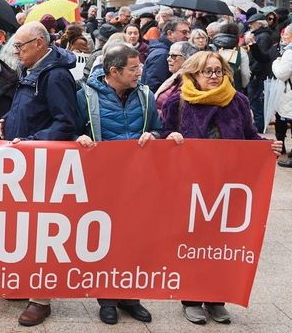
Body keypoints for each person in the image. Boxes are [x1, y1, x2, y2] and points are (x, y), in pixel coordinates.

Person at [161, 51, 282, 325]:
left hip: (230, 185)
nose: (215, 76)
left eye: (219, 71)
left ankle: (217, 299)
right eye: (208, 71)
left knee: (223, 244)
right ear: (194, 74)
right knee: (194, 242)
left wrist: (266, 146)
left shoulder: (237, 100)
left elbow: (249, 136)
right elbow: (164, 135)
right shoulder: (178, 102)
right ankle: (190, 298)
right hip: (193, 186)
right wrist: (171, 138)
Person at [75, 44, 157, 325]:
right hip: (101, 182)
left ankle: (131, 297)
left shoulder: (147, 96)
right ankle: (107, 298)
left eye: (140, 67)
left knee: (134, 239)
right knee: (105, 240)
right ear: (114, 71)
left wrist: (155, 136)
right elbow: (71, 130)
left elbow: (159, 127)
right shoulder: (84, 97)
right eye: (133, 68)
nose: (139, 72)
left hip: (137, 181)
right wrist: (78, 139)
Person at [3, 22, 78, 327]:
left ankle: (41, 299)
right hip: (26, 161)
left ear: (38, 44)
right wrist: (8, 120)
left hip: (43, 164)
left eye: (20, 46)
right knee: (24, 228)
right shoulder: (32, 70)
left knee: (40, 234)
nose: (15, 52)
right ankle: (25, 283)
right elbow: (30, 109)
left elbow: (66, 123)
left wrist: (32, 141)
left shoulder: (55, 76)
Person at [144, 18, 191, 93]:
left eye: (189, 32)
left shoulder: (164, 51)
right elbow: (153, 88)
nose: (188, 36)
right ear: (170, 34)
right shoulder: (161, 55)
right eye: (184, 32)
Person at [155, 41, 199, 116]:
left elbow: (174, 113)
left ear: (187, 58)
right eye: (168, 55)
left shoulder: (188, 81)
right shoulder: (176, 77)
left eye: (173, 56)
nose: (168, 59)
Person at [272, 25, 292, 167]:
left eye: (286, 34)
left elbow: (281, 74)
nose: (283, 36)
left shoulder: (289, 53)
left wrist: (276, 62)